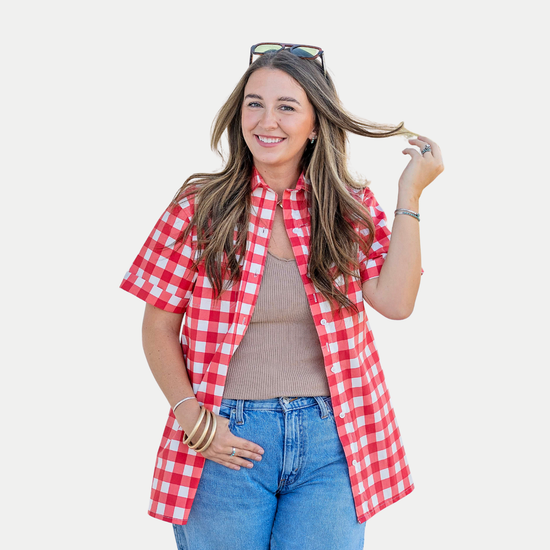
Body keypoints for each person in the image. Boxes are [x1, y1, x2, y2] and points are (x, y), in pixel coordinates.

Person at [120, 42, 444, 550]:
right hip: (225, 436)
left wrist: (411, 195)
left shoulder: (349, 207)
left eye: (287, 107)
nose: (266, 121)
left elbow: (397, 303)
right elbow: (157, 327)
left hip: (332, 440)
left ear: (315, 125)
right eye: (254, 103)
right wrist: (193, 420)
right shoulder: (199, 207)